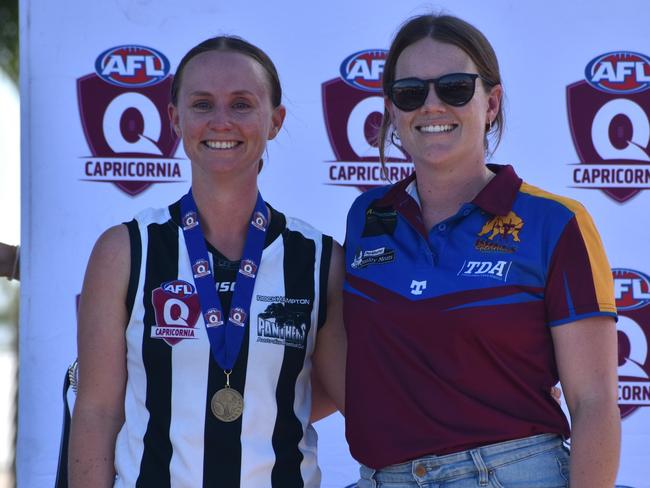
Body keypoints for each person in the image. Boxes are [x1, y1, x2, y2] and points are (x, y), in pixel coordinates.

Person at [343, 14, 620, 488]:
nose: (431, 106)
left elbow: (594, 402)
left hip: (512, 475)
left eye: (454, 88)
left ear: (490, 102)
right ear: (392, 109)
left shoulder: (555, 222)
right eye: (410, 93)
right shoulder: (366, 216)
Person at [68, 36, 345, 488]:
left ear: (275, 121)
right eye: (202, 104)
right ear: (175, 119)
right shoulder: (125, 249)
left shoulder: (318, 259)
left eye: (241, 104)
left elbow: (341, 393)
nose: (221, 121)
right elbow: (98, 411)